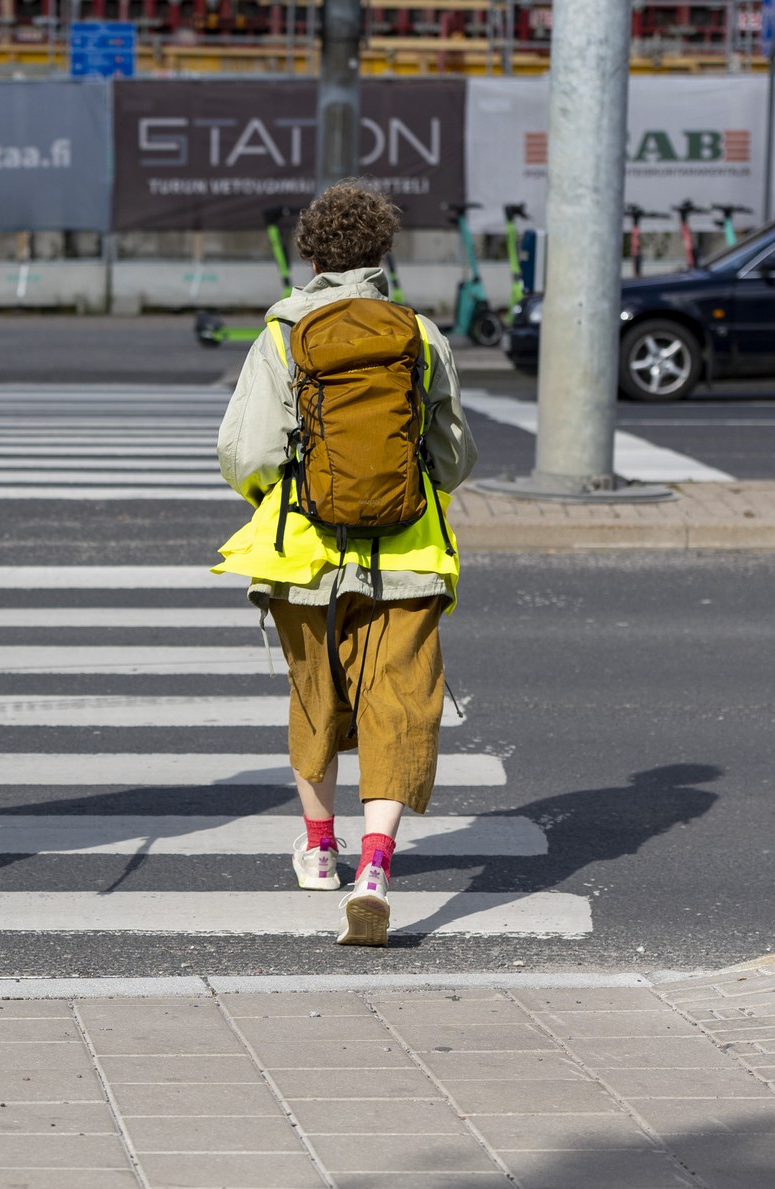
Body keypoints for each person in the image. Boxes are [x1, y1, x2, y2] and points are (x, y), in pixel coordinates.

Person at [213, 181, 479, 947]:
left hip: (304, 551)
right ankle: (376, 866)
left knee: (315, 696)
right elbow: (454, 455)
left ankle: (320, 851)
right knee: (399, 701)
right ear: (382, 253)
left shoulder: (281, 333)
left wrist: (290, 491)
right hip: (409, 552)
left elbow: (247, 454)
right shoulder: (419, 334)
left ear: (311, 252)